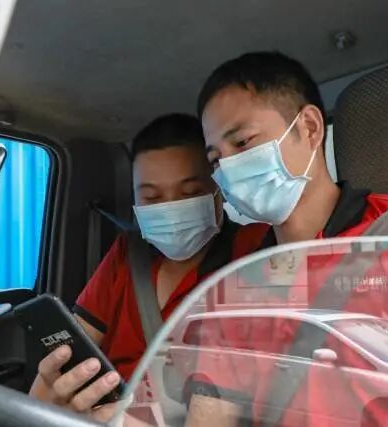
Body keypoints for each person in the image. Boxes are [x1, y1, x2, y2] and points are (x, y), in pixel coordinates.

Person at [185, 51, 388, 427]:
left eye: (242, 142)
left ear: (310, 128)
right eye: (216, 160)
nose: (228, 168)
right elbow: (213, 409)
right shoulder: (243, 280)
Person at [27, 113, 269, 423]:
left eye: (190, 193)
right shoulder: (128, 253)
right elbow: (68, 352)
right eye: (152, 197)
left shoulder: (252, 251)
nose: (170, 208)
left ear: (218, 188)